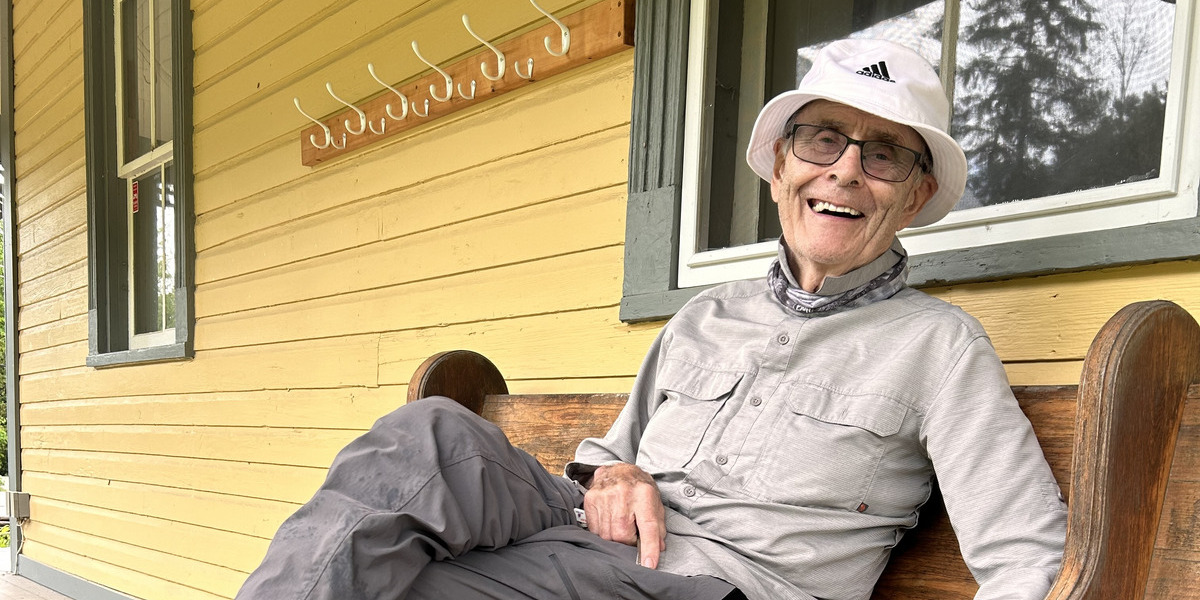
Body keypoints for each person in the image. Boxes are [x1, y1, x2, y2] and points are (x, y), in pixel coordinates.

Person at [236, 38, 1066, 600]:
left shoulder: (938, 346)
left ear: (914, 196)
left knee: (406, 588)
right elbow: (610, 456)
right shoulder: (709, 315)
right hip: (589, 541)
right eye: (823, 140)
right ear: (782, 166)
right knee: (431, 433)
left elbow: (1026, 553)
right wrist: (614, 475)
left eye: (883, 155)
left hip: (717, 583)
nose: (846, 171)